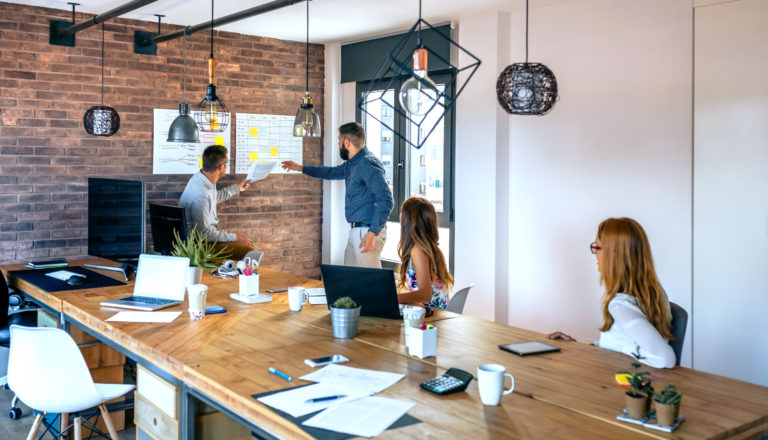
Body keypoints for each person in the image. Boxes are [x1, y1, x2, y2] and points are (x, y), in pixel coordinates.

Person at [547, 217, 676, 368]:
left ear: (614, 255)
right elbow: (624, 339)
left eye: (597, 248)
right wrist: (583, 348)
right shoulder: (656, 293)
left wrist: (621, 351)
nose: (595, 254)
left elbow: (665, 358)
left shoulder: (621, 306)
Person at [282, 122, 393, 268]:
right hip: (356, 230)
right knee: (349, 281)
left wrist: (372, 233)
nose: (338, 143)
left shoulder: (367, 163)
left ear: (347, 142)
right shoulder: (352, 164)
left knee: (370, 285)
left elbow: (386, 200)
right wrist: (301, 168)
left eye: (339, 140)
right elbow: (330, 172)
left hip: (367, 230)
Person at [179, 145, 255, 260]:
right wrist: (236, 238)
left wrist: (237, 188)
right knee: (250, 252)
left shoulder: (201, 179)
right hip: (199, 245)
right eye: (227, 164)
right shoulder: (202, 194)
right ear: (221, 167)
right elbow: (204, 234)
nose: (227, 167)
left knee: (247, 247)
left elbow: (214, 198)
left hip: (205, 239)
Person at [395, 196, 453, 310]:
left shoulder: (418, 251)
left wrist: (392, 298)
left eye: (402, 212)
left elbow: (425, 296)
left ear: (408, 221)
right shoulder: (432, 249)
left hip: (429, 319)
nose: (400, 215)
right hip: (436, 316)